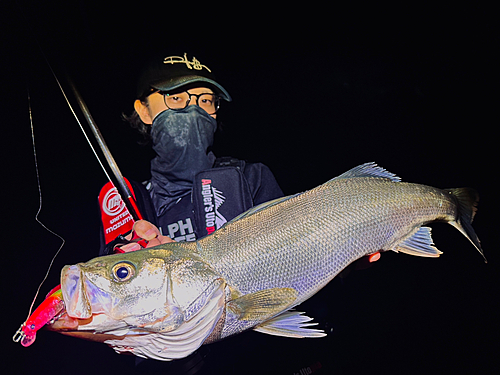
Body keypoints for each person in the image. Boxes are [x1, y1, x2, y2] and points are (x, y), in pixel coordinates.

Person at [98, 52, 283, 256]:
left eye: (205, 101)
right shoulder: (128, 206)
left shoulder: (250, 179)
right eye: (176, 98)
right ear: (144, 111)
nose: (194, 111)